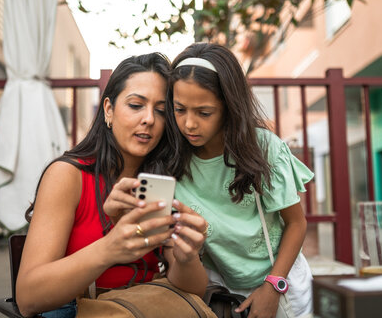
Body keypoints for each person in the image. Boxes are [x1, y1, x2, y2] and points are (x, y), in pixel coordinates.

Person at [16, 52, 210, 318]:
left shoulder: (159, 182)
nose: (149, 119)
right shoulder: (68, 175)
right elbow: (28, 298)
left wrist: (188, 257)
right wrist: (109, 249)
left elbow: (194, 290)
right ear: (108, 109)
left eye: (161, 111)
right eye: (135, 105)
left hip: (144, 308)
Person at [166, 43, 314, 318]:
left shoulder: (263, 148)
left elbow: (296, 222)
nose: (189, 124)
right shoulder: (171, 159)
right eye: (179, 109)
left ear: (229, 107)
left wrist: (274, 285)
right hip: (218, 290)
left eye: (204, 112)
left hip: (278, 281)